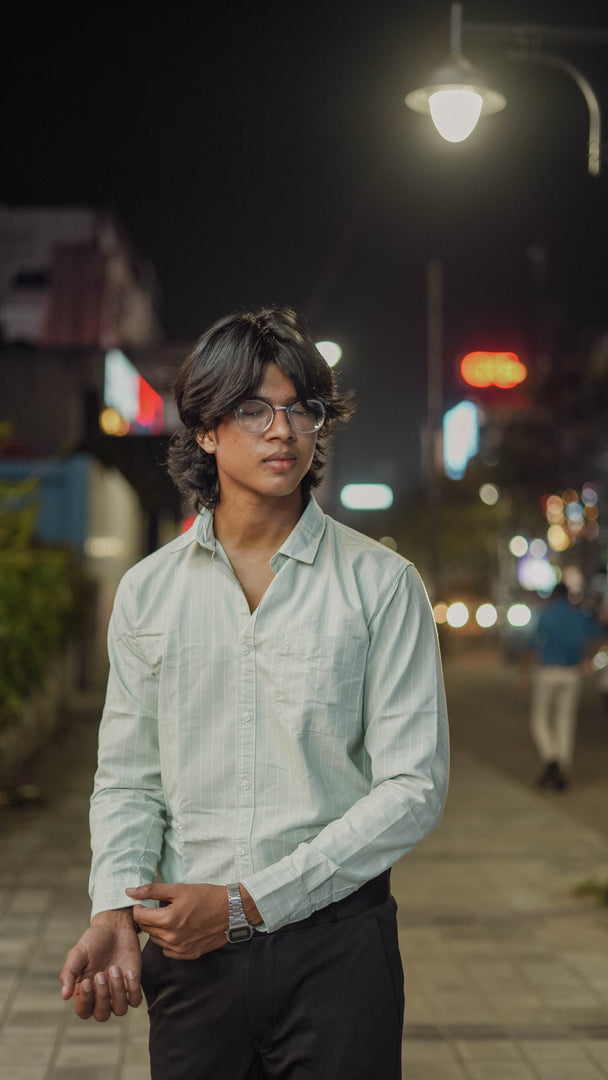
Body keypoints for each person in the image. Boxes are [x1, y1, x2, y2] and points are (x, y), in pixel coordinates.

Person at [59, 305, 449, 1080]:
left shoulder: (382, 584)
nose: (283, 430)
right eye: (252, 409)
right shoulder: (147, 592)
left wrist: (248, 903)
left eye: (301, 409)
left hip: (340, 952)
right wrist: (112, 905)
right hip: (190, 959)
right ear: (205, 430)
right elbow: (131, 776)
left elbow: (413, 786)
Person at [525, 582, 604, 790]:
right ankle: (561, 767)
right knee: (565, 720)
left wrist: (523, 672)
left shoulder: (546, 614)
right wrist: (588, 658)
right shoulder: (579, 615)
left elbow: (533, 643)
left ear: (552, 595)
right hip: (571, 672)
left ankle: (551, 758)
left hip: (548, 670)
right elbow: (598, 636)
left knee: (540, 718)